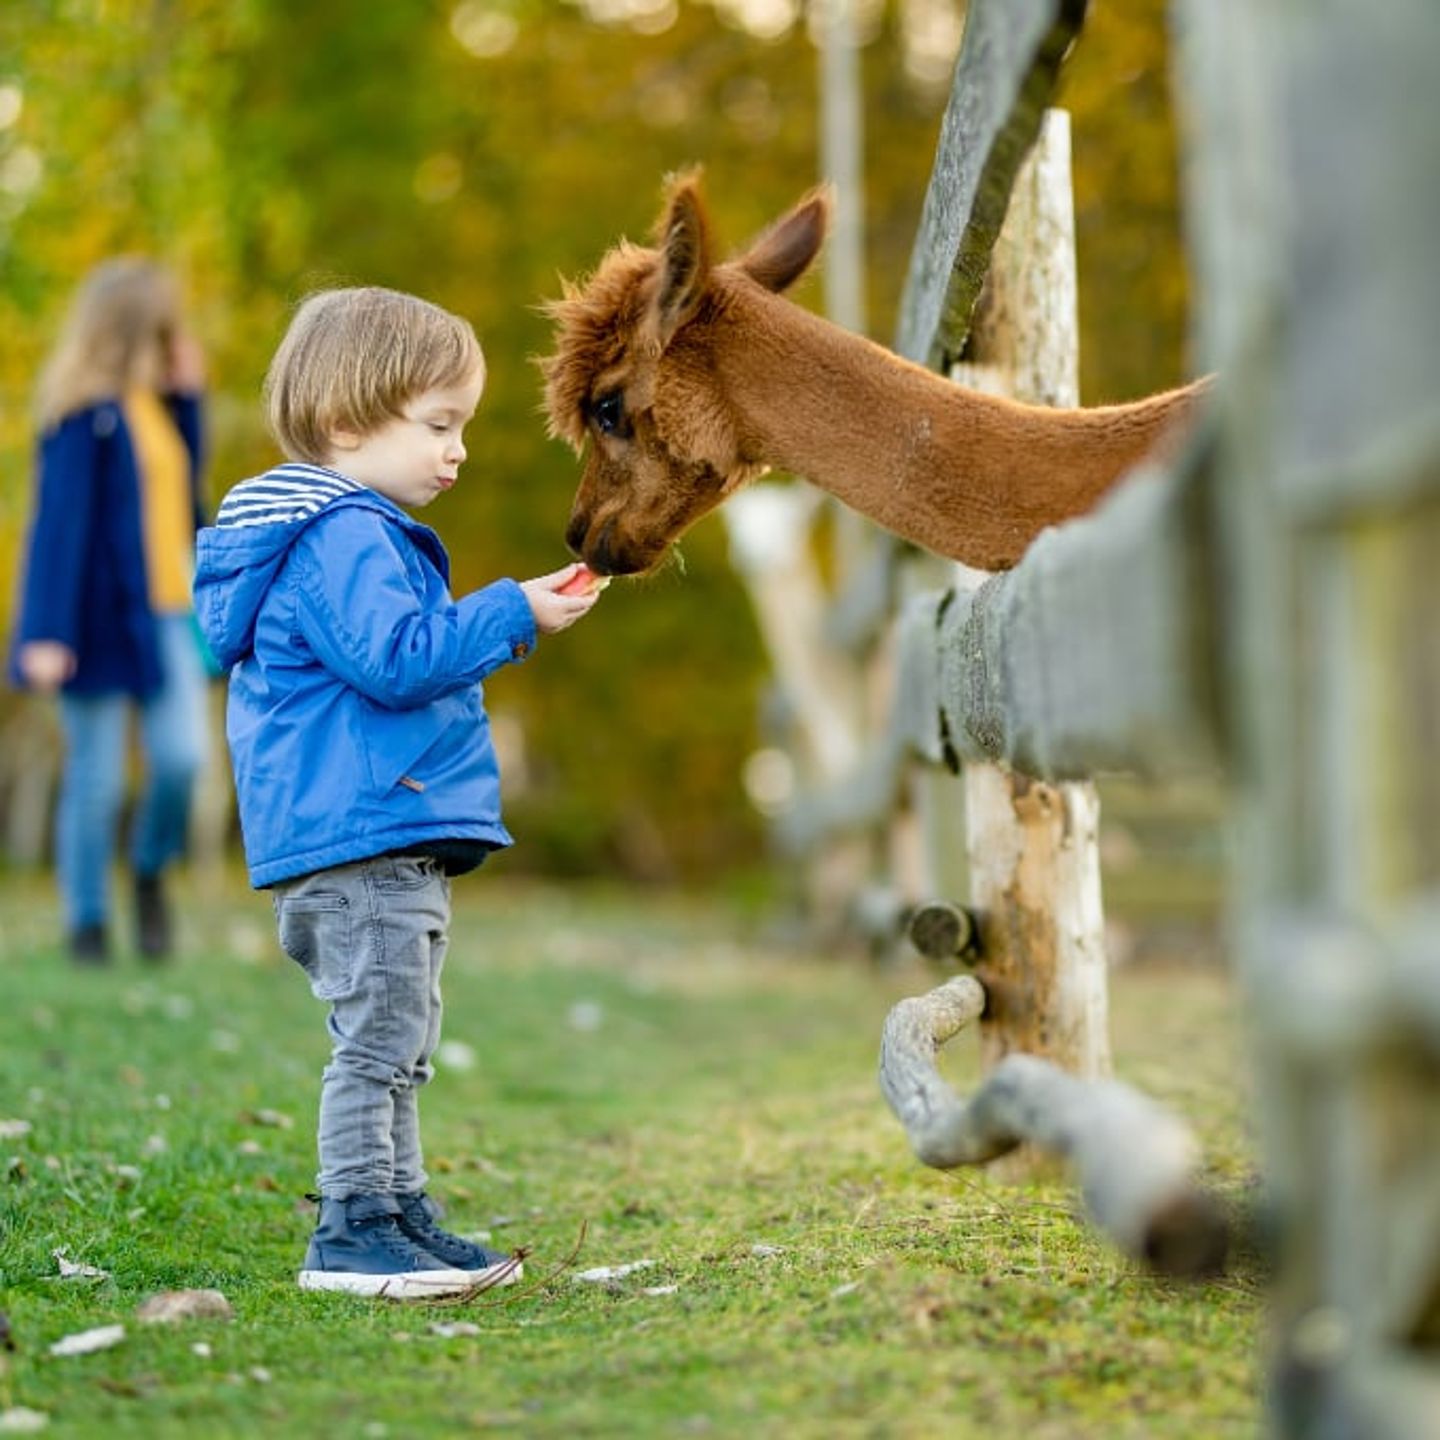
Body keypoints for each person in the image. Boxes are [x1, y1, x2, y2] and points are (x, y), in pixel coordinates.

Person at [192, 286, 601, 1299]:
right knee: (377, 1039)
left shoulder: (350, 531)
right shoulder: (342, 537)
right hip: (359, 837)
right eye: (439, 425)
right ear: (345, 423)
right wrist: (512, 612)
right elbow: (396, 659)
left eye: (460, 424)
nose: (457, 449)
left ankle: (400, 1209)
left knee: (398, 1038)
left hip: (374, 832)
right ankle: (351, 1227)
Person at [9, 258, 211, 965]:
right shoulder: (81, 416)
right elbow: (56, 530)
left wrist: (190, 401)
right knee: (93, 778)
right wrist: (44, 632)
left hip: (168, 616)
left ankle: (150, 870)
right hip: (93, 622)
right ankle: (87, 925)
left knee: (182, 759)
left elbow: (187, 508)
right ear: (133, 327)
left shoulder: (159, 411)